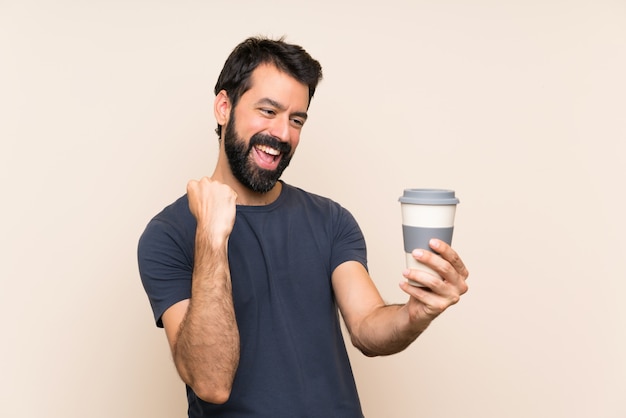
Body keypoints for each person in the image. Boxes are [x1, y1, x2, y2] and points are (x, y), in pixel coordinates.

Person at [137, 36, 469, 418]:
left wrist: (416, 313)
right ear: (224, 107)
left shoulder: (330, 220)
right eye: (268, 111)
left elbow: (367, 328)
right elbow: (211, 383)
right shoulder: (168, 234)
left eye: (296, 120)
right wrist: (211, 237)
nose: (282, 134)